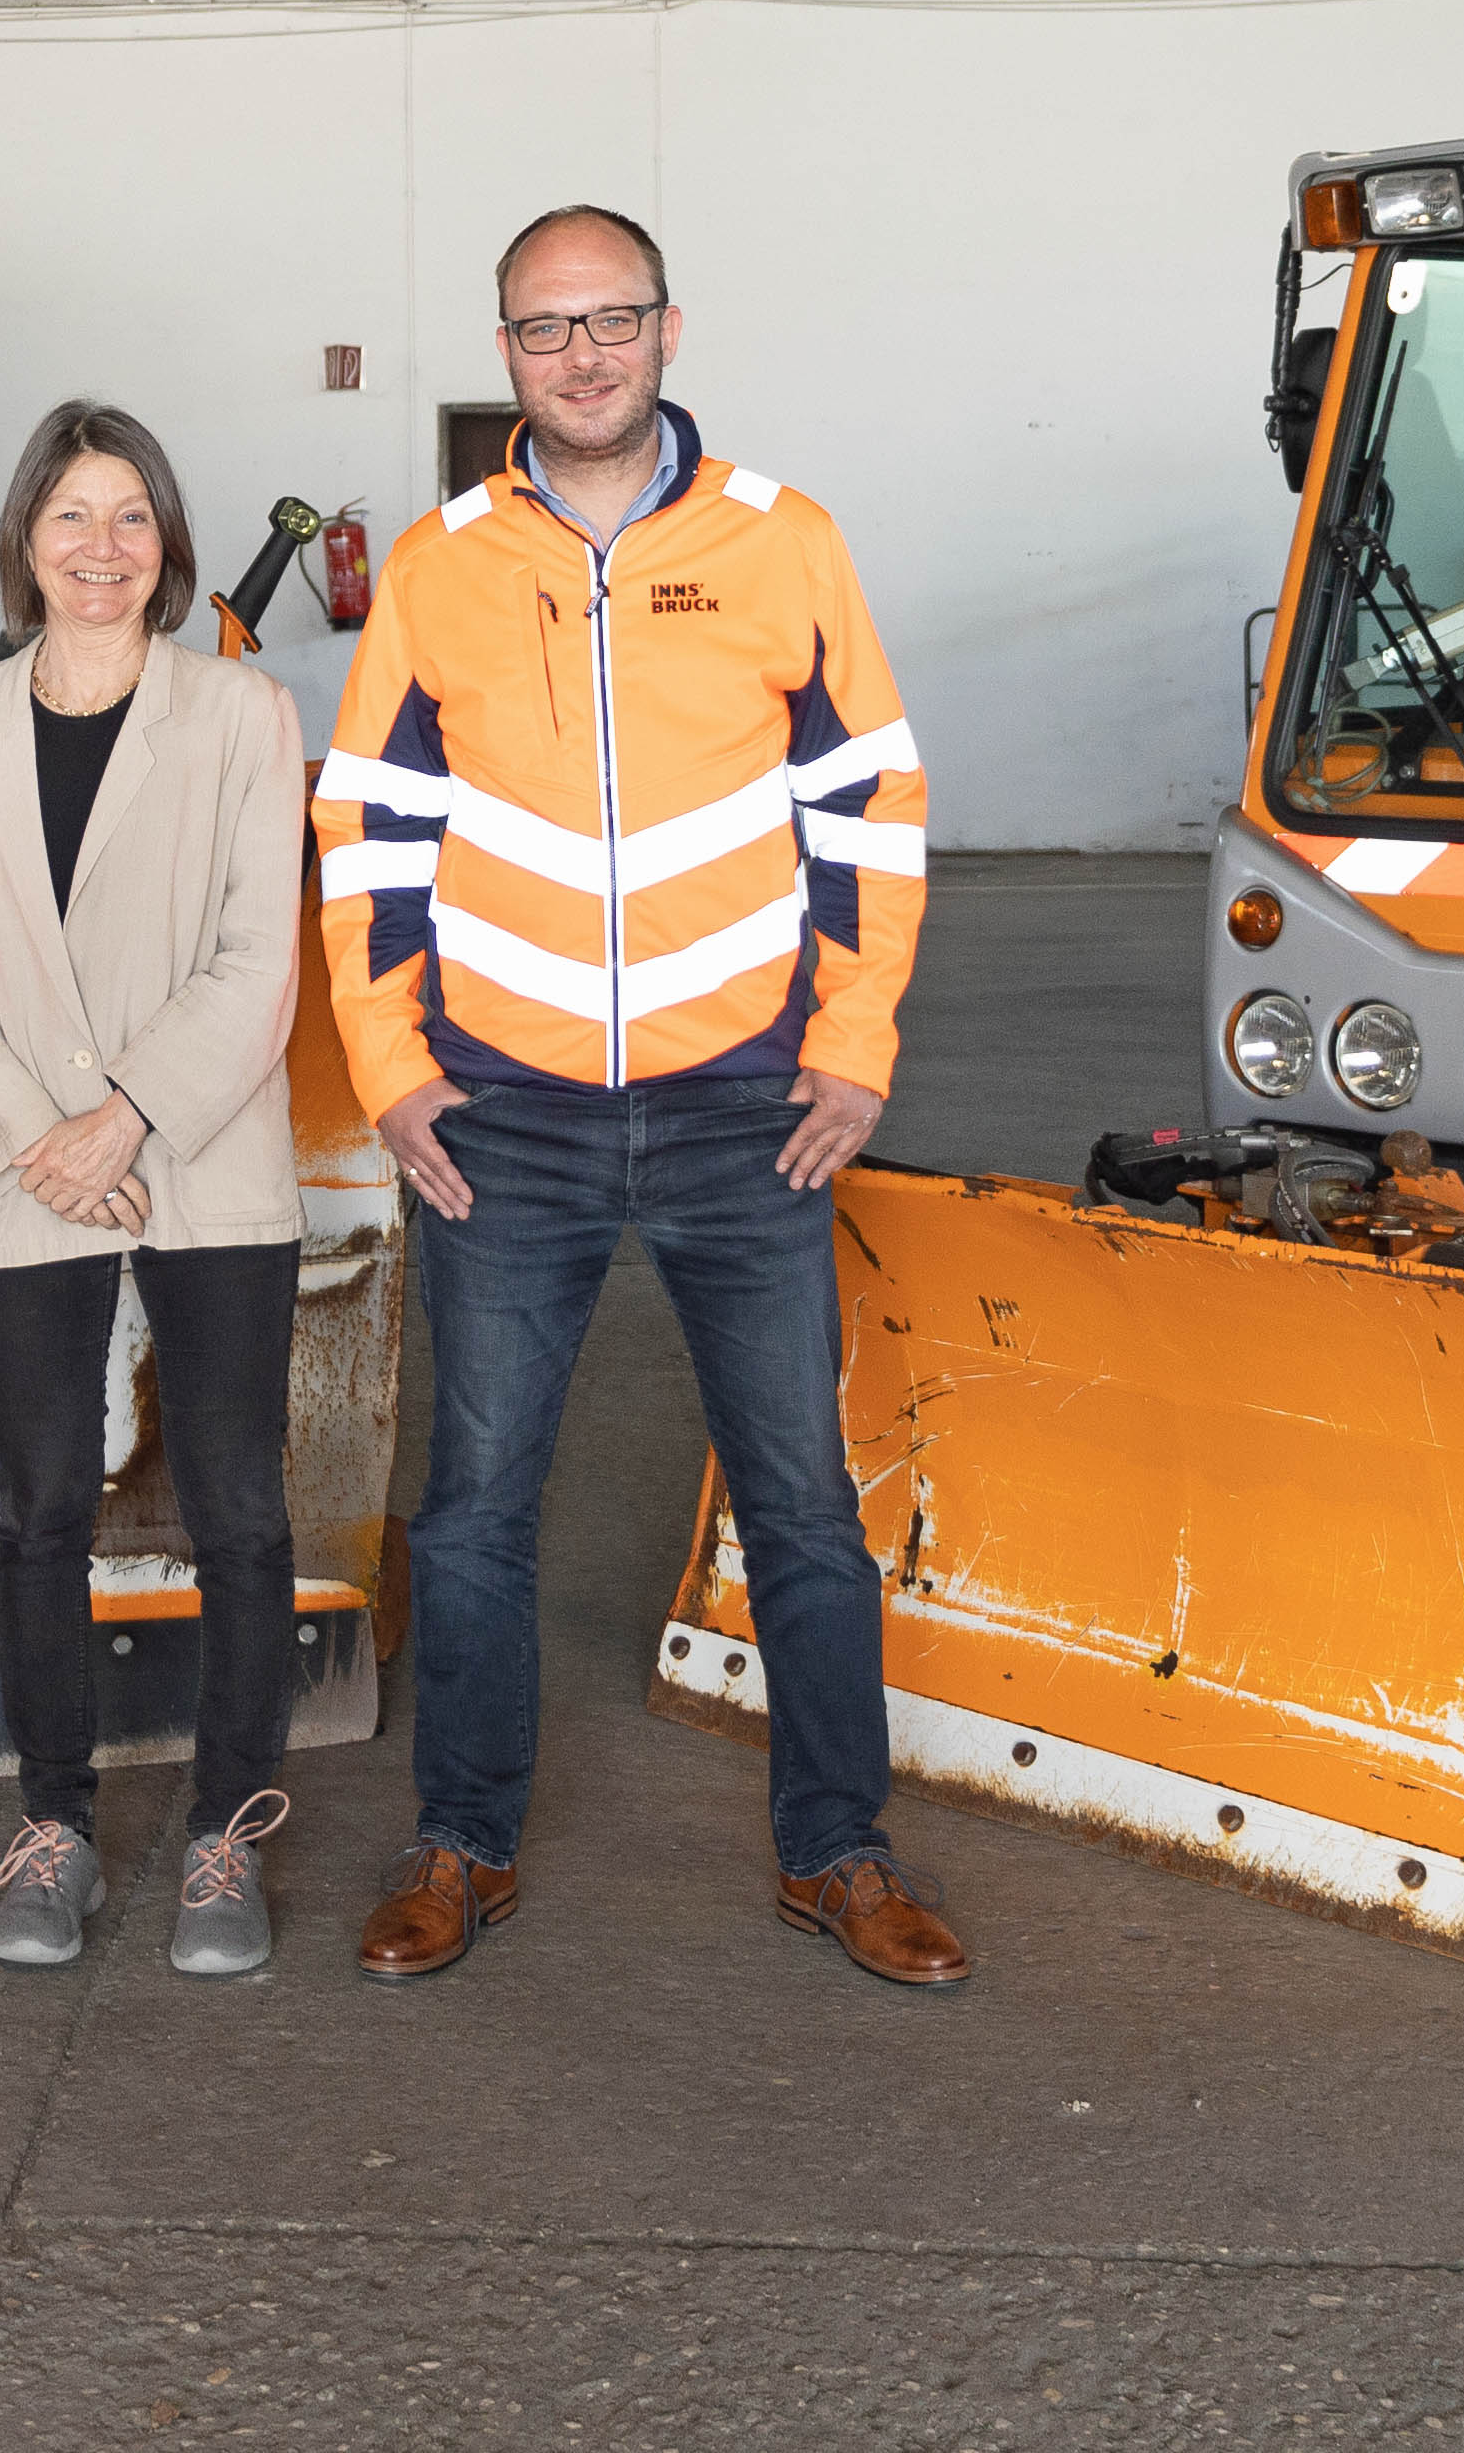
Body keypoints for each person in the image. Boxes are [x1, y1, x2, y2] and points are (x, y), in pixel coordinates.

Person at [314, 203, 971, 1988]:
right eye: (543, 330)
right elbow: (367, 828)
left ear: (670, 332)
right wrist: (389, 1071)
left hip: (742, 1101)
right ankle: (461, 1838)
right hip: (503, 1112)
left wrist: (850, 1046)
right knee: (470, 1512)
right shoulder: (444, 563)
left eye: (610, 320)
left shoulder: (782, 542)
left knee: (802, 1507)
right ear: (505, 356)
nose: (580, 354)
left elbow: (867, 812)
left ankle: (839, 1850)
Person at [0, 402, 315, 1976]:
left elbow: (258, 956)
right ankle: (54, 1823)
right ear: (24, 539)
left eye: (130, 517)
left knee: (240, 1510)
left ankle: (224, 1833)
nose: (99, 547)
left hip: (198, 1162)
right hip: (24, 1180)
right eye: (70, 516)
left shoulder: (239, 715)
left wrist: (122, 1119)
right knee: (42, 1507)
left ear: (168, 544)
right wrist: (38, 1139)